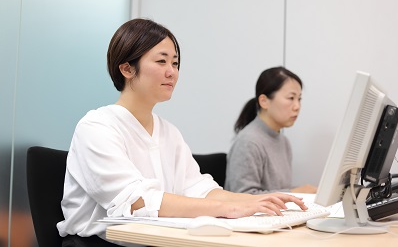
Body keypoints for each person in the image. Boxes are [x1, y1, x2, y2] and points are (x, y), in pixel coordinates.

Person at [56, 19, 307, 246]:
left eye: (175, 63)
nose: (172, 71)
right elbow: (135, 202)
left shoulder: (169, 132)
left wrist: (254, 202)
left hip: (157, 241)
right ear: (127, 69)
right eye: (161, 61)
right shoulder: (97, 127)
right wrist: (226, 208)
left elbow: (199, 188)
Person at [224, 67, 317, 195]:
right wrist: (293, 193)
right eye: (291, 98)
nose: (297, 106)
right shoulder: (248, 141)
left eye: (299, 99)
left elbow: (280, 189)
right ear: (264, 101)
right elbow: (242, 195)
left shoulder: (284, 142)